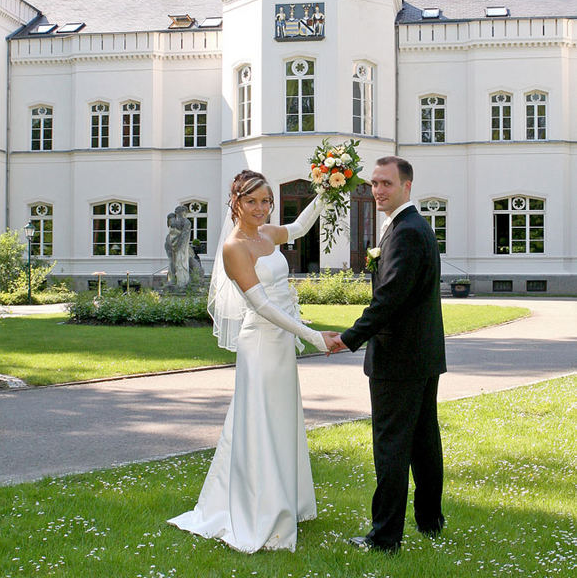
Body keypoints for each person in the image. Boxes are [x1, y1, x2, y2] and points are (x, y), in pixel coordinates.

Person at [168, 170, 336, 552]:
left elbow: (299, 227)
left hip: (281, 340)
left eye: (266, 202)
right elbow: (260, 304)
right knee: (259, 422)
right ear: (236, 202)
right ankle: (261, 511)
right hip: (260, 342)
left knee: (281, 420)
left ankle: (286, 503)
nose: (260, 209)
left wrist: (330, 189)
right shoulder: (234, 247)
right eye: (252, 202)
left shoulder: (267, 234)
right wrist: (311, 336)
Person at [326, 156, 447, 555]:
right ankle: (430, 520)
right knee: (424, 441)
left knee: (392, 446)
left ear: (407, 186)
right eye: (374, 183)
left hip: (399, 359)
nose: (377, 190)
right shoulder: (410, 226)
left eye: (386, 184)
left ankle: (384, 538)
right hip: (420, 356)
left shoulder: (407, 232)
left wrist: (349, 337)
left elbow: (391, 298)